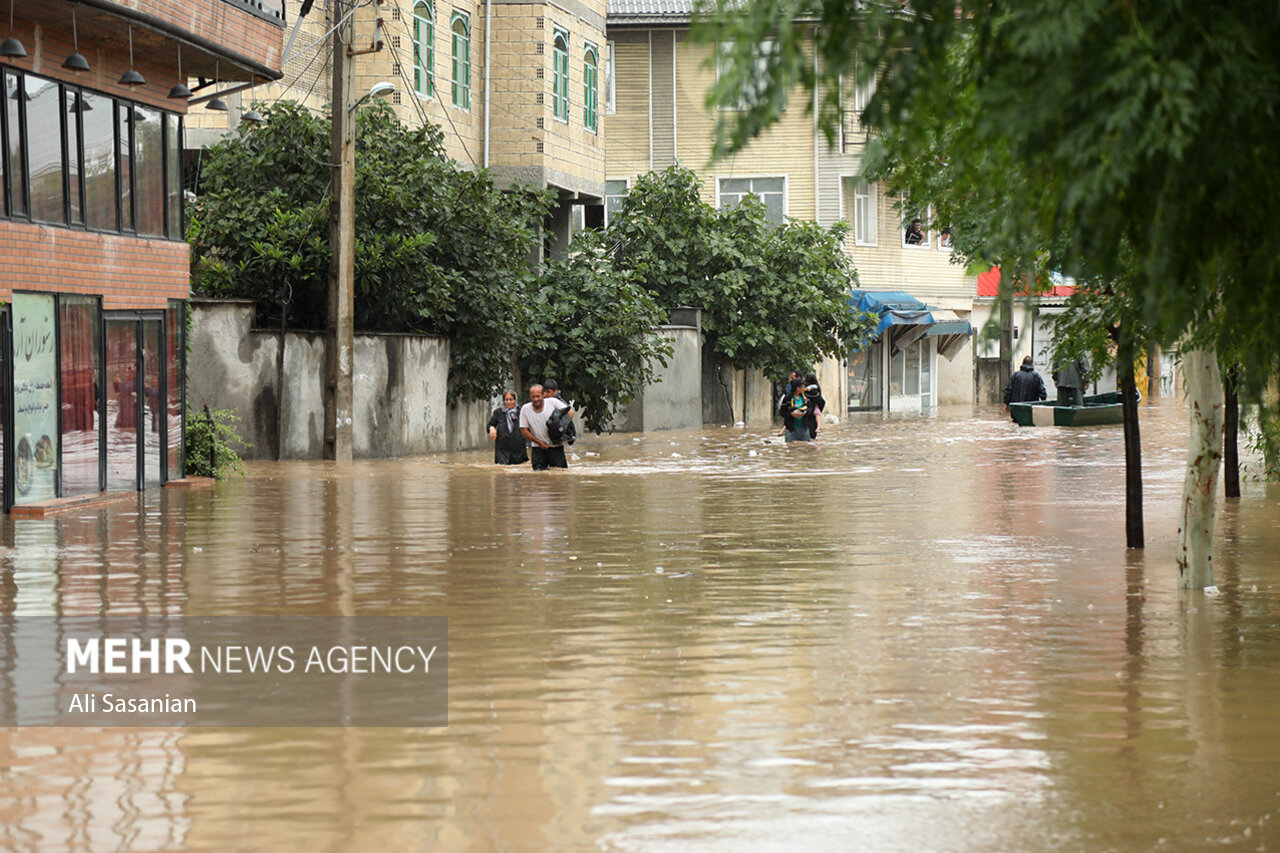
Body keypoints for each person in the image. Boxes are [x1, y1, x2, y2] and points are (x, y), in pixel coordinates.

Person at [519, 383, 574, 470]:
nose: (536, 399)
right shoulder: (525, 409)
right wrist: (539, 442)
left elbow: (570, 412)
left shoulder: (552, 402)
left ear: (543, 395)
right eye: (533, 397)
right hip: (537, 449)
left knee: (560, 474)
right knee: (538, 476)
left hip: (556, 447)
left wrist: (561, 427)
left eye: (538, 396)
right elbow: (524, 430)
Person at [487, 390, 528, 465]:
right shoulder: (498, 412)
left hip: (518, 449)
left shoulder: (521, 412)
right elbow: (490, 425)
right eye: (506, 400)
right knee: (502, 469)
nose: (508, 402)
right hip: (502, 449)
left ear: (515, 400)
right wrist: (492, 428)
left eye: (511, 400)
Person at [779, 377, 811, 442]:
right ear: (797, 388)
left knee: (805, 446)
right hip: (791, 429)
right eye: (802, 386)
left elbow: (810, 408)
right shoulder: (788, 398)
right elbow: (782, 412)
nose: (804, 388)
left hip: (804, 428)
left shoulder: (805, 397)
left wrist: (805, 412)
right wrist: (791, 414)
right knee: (790, 446)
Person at [803, 372, 825, 439]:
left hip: (805, 416)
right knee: (812, 436)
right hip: (812, 417)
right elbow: (822, 402)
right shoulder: (816, 391)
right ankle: (818, 427)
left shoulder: (803, 389)